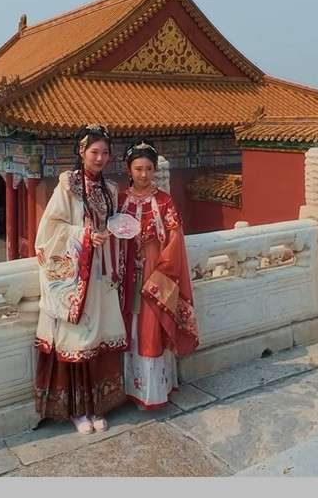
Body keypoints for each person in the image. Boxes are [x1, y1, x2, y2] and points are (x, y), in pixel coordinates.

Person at [33, 125, 127, 435]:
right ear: (81, 153)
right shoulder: (68, 186)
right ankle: (77, 410)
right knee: (76, 341)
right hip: (75, 277)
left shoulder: (110, 189)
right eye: (94, 152)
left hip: (102, 275)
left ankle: (97, 405)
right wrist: (85, 236)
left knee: (99, 338)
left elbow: (114, 225)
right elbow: (50, 230)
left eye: (105, 153)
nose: (100, 158)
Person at [116, 140, 198, 410]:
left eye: (149, 169)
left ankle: (152, 393)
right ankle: (127, 388)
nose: (144, 174)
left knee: (150, 330)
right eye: (138, 168)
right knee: (127, 328)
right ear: (128, 169)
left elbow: (175, 242)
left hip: (155, 275)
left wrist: (160, 274)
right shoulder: (119, 200)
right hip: (126, 275)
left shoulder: (165, 202)